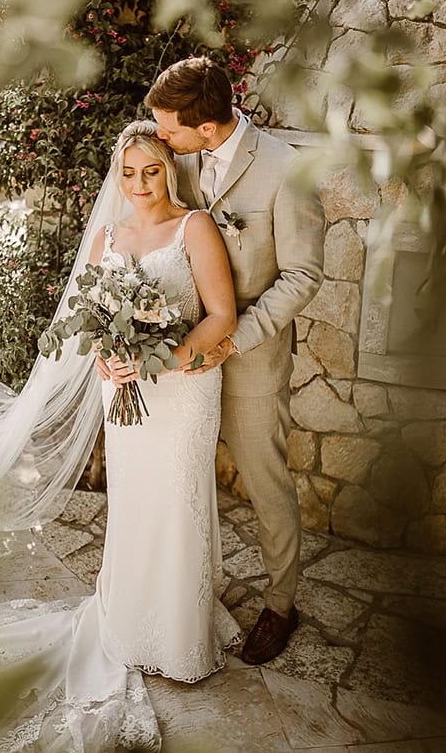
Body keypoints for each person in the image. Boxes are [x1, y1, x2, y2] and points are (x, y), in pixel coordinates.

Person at [0, 120, 243, 751]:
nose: (139, 184)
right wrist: (110, 357)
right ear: (119, 175)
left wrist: (159, 359)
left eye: (151, 171)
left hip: (185, 389)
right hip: (123, 390)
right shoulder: (109, 236)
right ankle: (132, 623)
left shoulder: (194, 227)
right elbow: (85, 319)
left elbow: (221, 314)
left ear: (170, 169)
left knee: (182, 501)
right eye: (129, 172)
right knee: (136, 506)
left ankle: (180, 634)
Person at [142, 57, 325, 664]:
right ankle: (185, 595)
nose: (159, 138)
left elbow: (303, 275)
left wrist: (235, 337)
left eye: (169, 128)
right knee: (181, 477)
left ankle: (281, 605)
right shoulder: (179, 157)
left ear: (207, 127)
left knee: (266, 482)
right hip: (180, 353)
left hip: (250, 354)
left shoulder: (286, 170)